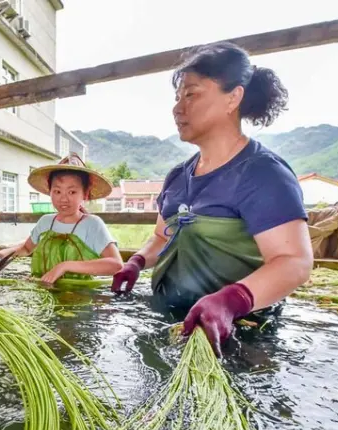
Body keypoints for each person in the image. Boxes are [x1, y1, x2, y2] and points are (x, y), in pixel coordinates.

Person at [111, 43, 313, 354]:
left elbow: (294, 262)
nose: (178, 108)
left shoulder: (261, 173)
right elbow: (160, 237)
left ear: (234, 97)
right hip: (169, 323)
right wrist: (136, 262)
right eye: (178, 98)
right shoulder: (178, 176)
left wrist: (232, 301)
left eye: (191, 94)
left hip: (236, 334)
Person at [0, 153, 124, 284]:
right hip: (43, 290)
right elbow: (26, 248)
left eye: (72, 192)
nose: (63, 199)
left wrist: (65, 266)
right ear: (50, 192)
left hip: (79, 297)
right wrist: (4, 254)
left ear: (85, 194)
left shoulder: (92, 224)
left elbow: (116, 264)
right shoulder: (45, 222)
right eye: (57, 191)